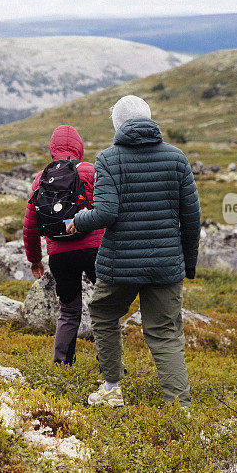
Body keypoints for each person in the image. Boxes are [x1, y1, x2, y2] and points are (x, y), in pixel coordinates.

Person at [66, 95, 201, 408]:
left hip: (119, 264)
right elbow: (191, 218)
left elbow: (106, 213)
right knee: (165, 332)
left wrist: (78, 221)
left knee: (103, 312)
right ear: (149, 118)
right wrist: (187, 264)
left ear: (117, 124)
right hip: (167, 264)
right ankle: (179, 407)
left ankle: (111, 388)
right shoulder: (177, 158)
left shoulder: (108, 159)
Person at [23, 125, 104, 365]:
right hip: (94, 250)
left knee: (68, 312)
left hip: (60, 254)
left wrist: (35, 259)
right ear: (79, 146)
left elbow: (30, 224)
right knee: (105, 310)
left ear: (52, 148)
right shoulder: (91, 171)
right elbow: (107, 209)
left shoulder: (41, 178)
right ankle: (109, 365)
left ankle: (62, 364)